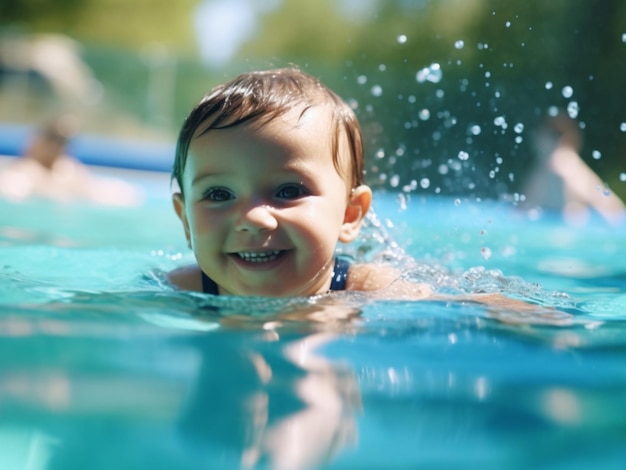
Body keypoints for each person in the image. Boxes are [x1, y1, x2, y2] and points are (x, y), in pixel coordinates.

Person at [166, 67, 574, 318]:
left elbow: (476, 303)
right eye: (219, 194)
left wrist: (529, 317)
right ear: (185, 220)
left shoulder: (369, 288)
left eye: (289, 190)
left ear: (349, 215)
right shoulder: (180, 288)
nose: (254, 217)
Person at [0, 115, 142, 206]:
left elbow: (102, 193)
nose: (58, 147)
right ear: (39, 140)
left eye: (63, 142)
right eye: (55, 139)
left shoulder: (70, 170)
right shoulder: (26, 171)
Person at [522, 114, 625, 226]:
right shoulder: (563, 164)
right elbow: (614, 208)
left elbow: (522, 209)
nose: (534, 140)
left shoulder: (560, 164)